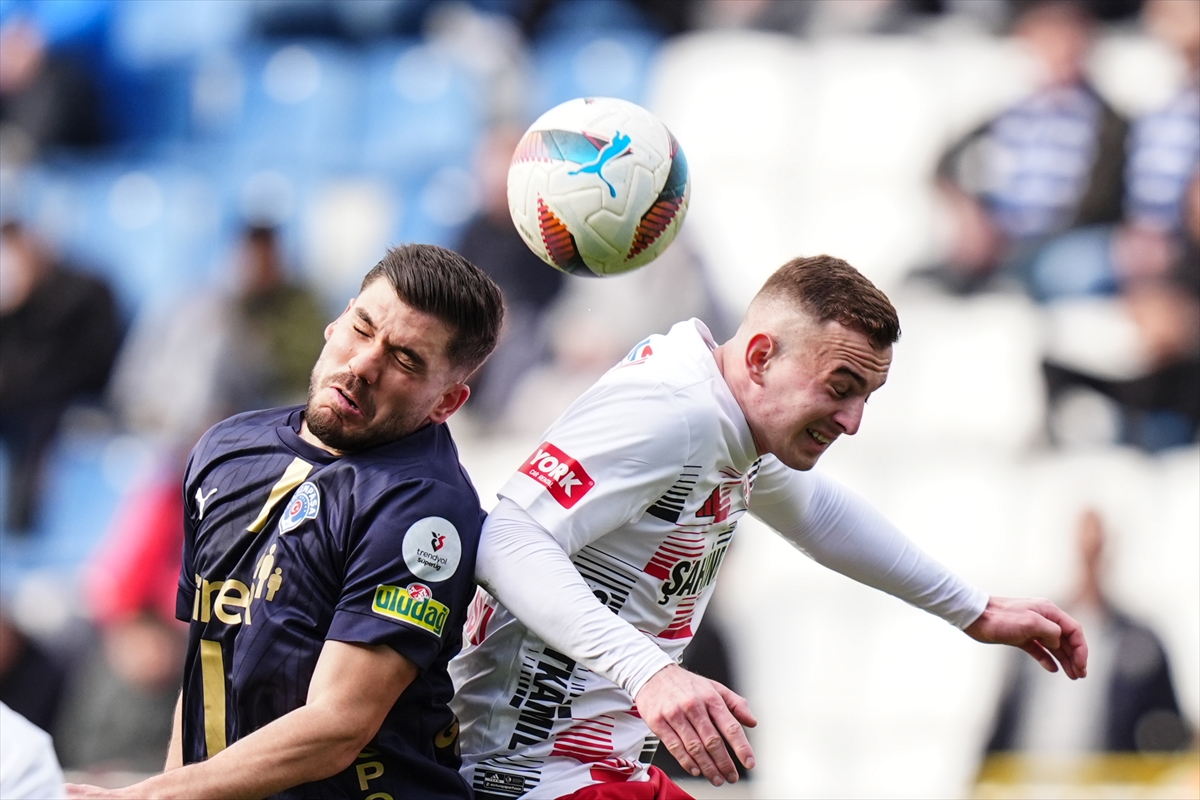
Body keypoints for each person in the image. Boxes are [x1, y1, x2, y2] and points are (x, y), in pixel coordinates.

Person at [450, 254, 1089, 799]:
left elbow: (817, 513)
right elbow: (508, 538)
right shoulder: (672, 411)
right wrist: (650, 671)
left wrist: (971, 609)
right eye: (840, 387)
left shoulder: (726, 419)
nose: (852, 421)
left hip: (589, 768)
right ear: (761, 356)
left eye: (866, 395)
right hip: (525, 772)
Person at [66, 244, 504, 799]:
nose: (364, 365)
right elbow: (207, 665)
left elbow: (337, 727)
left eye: (405, 360)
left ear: (448, 402)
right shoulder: (225, 448)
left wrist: (151, 796)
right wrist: (171, 788)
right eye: (362, 329)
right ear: (335, 321)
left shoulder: (423, 511)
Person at [985, 509, 1191, 754]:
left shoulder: (1141, 643)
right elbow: (1006, 714)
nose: (1090, 553)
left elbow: (1165, 725)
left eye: (1097, 543)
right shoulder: (1033, 627)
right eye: (1085, 542)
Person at [0, 219, 122, 532]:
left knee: (36, 426)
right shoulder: (13, 308)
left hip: (61, 400)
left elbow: (92, 363)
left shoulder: (84, 291)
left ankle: (23, 529)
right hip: (17, 400)